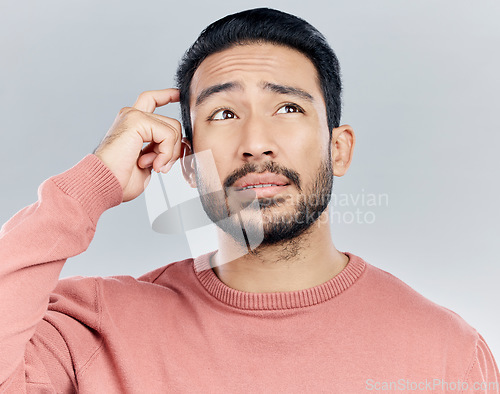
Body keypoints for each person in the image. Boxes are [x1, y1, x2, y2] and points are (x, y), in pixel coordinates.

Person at [0, 7, 498, 393]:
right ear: (189, 163)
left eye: (287, 107)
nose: (256, 141)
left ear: (339, 148)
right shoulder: (92, 329)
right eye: (222, 113)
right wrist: (89, 186)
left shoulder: (447, 353)